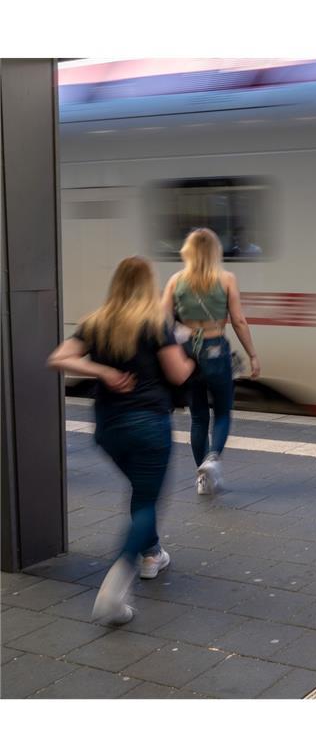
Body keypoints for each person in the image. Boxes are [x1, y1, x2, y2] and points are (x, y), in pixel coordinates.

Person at [48, 257, 197, 624]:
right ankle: (115, 589)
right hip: (148, 425)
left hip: (109, 428)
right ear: (148, 285)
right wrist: (190, 352)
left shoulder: (96, 322)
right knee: (147, 502)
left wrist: (101, 370)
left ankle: (151, 554)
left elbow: (59, 358)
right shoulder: (155, 324)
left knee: (139, 491)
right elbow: (178, 375)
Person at [161, 228, 260, 495]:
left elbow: (162, 323)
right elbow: (238, 321)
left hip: (187, 353)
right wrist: (252, 354)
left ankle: (202, 480)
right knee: (223, 411)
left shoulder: (175, 281)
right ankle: (212, 459)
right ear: (215, 251)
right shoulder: (226, 279)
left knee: (198, 417)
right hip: (216, 348)